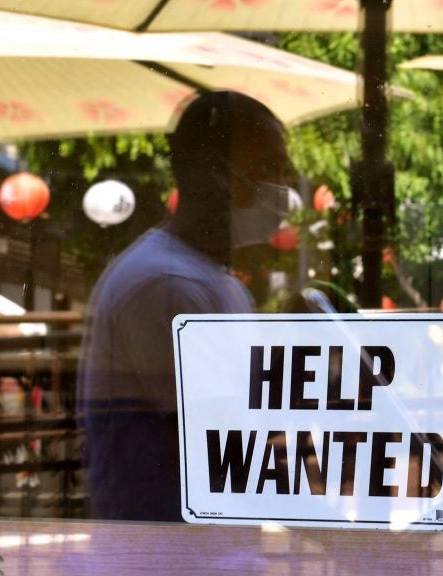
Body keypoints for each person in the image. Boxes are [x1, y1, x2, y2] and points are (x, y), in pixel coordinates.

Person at [76, 90, 295, 522]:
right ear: (214, 172)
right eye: (268, 168)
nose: (282, 188)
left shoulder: (213, 279)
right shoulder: (166, 285)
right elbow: (228, 452)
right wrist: (339, 529)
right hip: (164, 554)